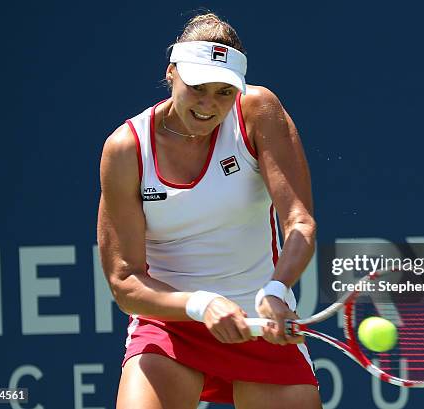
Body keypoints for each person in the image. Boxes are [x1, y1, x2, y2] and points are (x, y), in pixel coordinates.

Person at [97, 12, 321, 409]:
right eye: (198, 87)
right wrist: (200, 304)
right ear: (171, 73)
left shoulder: (257, 110)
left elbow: (299, 222)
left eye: (224, 92)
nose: (208, 104)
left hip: (259, 323)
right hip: (171, 325)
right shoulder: (127, 148)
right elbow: (125, 281)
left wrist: (276, 289)